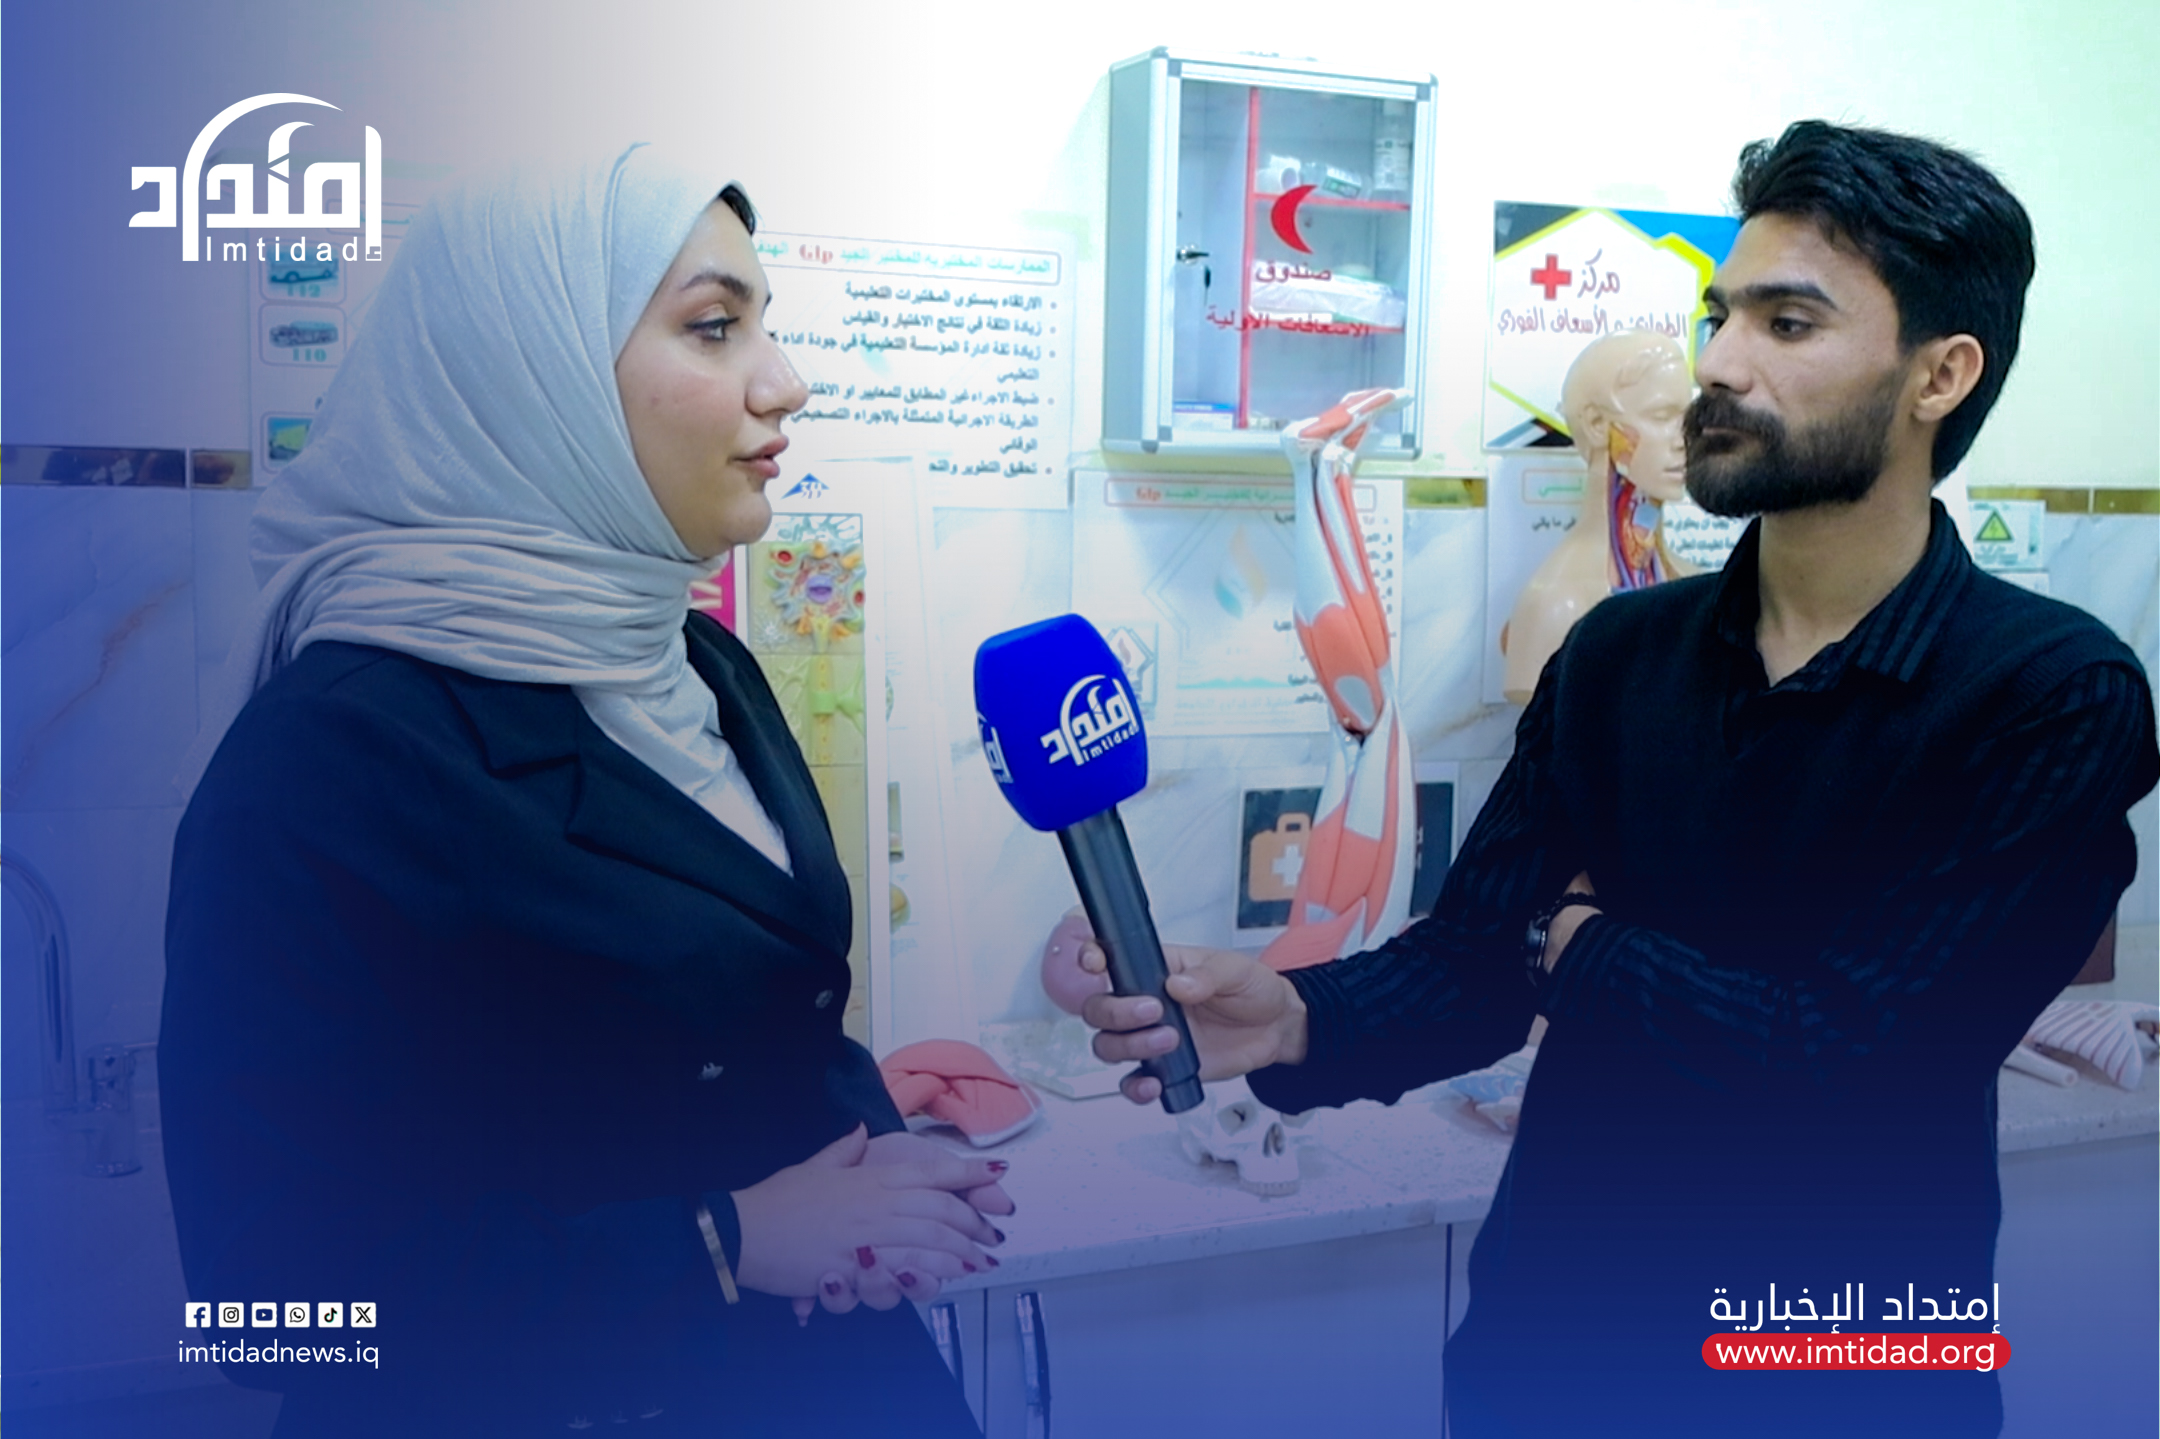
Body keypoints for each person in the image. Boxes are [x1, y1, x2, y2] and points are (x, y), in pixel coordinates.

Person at [1080, 121, 2157, 1437]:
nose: (1720, 363)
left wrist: (1580, 948)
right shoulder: (1618, 653)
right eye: (1721, 315)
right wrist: (1297, 1014)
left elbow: (1854, 1065)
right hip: (1556, 1339)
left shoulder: (2049, 691)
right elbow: (1478, 955)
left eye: (1787, 323)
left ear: (1941, 372)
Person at [161, 146, 1001, 1438]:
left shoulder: (700, 662)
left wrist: (880, 1167)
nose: (786, 380)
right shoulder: (333, 752)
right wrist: (725, 1240)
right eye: (715, 327)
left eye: (766, 326)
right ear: (530, 375)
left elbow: (769, 1017)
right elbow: (264, 1301)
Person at [1500, 329, 1695, 703]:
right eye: (1662, 416)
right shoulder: (1557, 605)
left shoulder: (1695, 587)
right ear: (1595, 425)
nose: (1684, 438)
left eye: (1688, 417)